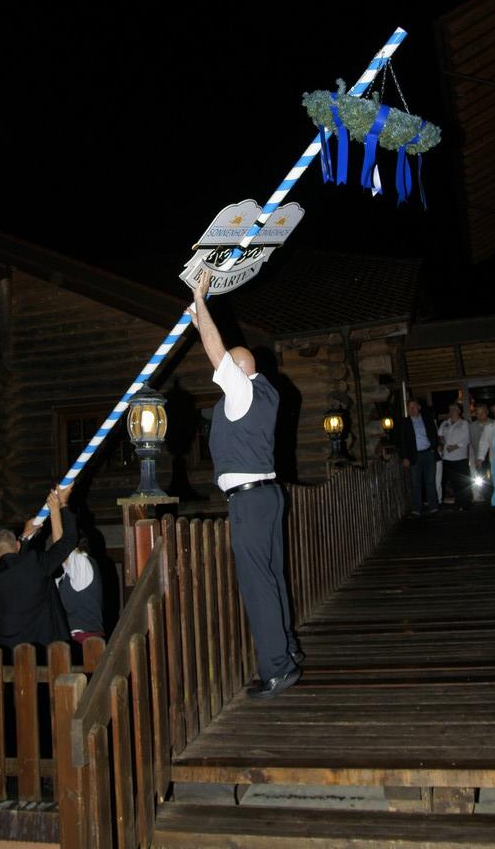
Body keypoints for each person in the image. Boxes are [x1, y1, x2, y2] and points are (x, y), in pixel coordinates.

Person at [190, 270, 301, 699]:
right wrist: (198, 315)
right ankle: (287, 650)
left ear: (238, 372)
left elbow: (216, 351)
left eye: (226, 371)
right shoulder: (266, 391)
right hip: (267, 496)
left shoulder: (241, 393)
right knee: (272, 578)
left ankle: (277, 668)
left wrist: (201, 298)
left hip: (250, 503)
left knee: (258, 586)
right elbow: (217, 348)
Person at [0, 484, 77, 649]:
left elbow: (13, 567)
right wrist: (62, 505)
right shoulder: (35, 563)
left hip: (8, 651)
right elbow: (69, 540)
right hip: (43, 649)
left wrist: (24, 539)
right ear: (17, 546)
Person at [51, 493, 105, 646]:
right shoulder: (70, 572)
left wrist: (55, 510)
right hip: (77, 640)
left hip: (85, 641)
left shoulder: (81, 561)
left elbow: (60, 547)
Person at [401, 399, 440, 517]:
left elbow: (434, 434)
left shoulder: (427, 420)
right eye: (410, 407)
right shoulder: (404, 423)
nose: (412, 409)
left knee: (430, 481)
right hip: (415, 456)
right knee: (415, 483)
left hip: (428, 454)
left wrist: (433, 448)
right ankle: (416, 509)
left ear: (419, 407)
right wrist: (405, 457)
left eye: (414, 407)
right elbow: (402, 441)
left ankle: (433, 507)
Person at [438, 404, 472, 511]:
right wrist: (441, 442)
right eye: (451, 409)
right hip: (447, 458)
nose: (452, 411)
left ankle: (466, 503)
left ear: (459, 411)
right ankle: (458, 503)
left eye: (454, 409)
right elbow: (439, 435)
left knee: (463, 482)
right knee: (453, 482)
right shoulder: (445, 423)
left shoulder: (464, 423)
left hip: (460, 457)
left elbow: (467, 439)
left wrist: (455, 447)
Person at [470, 402, 494, 501]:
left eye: (482, 413)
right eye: (477, 413)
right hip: (479, 457)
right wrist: (475, 458)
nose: (480, 415)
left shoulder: (494, 423)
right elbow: (472, 443)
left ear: (487, 412)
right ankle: (488, 499)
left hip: (493, 456)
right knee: (483, 479)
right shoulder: (472, 426)